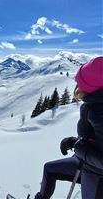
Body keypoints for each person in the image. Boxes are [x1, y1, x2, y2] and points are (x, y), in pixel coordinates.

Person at [34, 56, 103, 199]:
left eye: (80, 81)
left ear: (90, 86)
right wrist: (75, 141)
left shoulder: (98, 111)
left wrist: (78, 146)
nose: (77, 85)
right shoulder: (94, 105)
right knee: (50, 168)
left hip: (96, 176)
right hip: (86, 164)